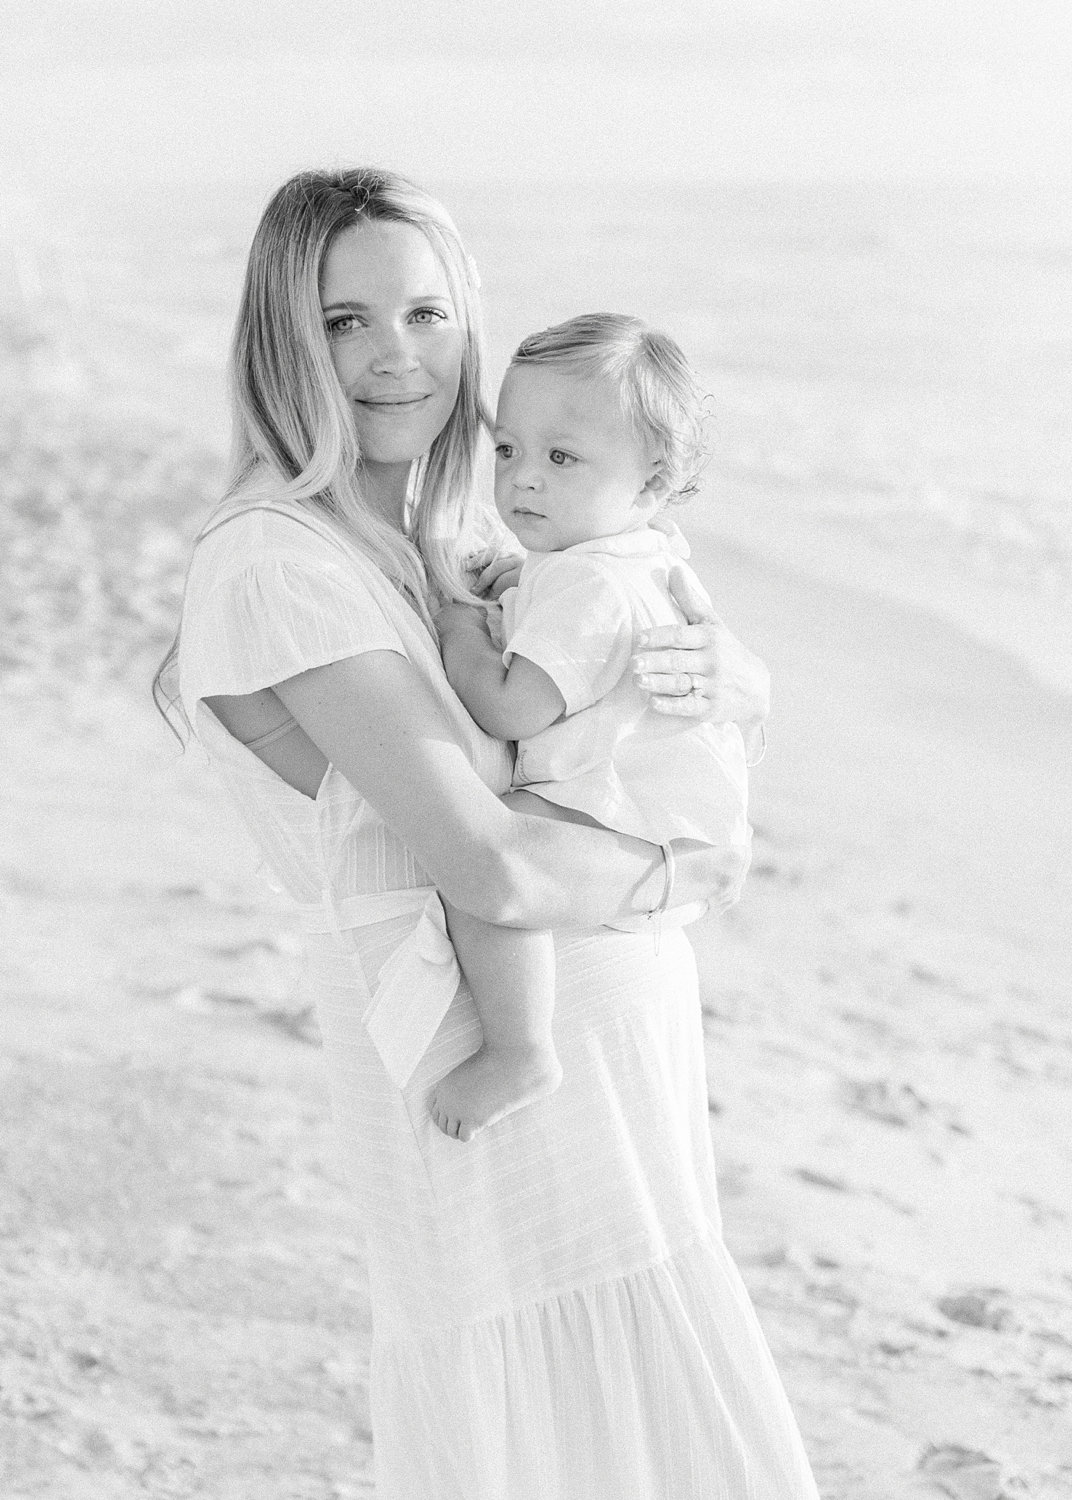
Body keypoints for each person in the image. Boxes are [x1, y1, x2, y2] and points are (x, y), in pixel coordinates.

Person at [157, 166, 818, 1498]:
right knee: (536, 1415)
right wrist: (697, 863)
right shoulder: (279, 566)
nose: (394, 357)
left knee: (639, 1391)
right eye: (344, 322)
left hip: (599, 1004)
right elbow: (489, 860)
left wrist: (741, 689)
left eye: (425, 313)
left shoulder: (467, 533)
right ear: (280, 343)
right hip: (477, 1041)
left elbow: (628, 698)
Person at [430, 312, 754, 1145]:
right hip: (651, 812)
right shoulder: (615, 558)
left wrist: (459, 624)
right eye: (507, 450)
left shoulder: (594, 588)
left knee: (490, 865)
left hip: (617, 813)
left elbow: (508, 705)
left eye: (561, 458)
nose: (522, 480)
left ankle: (520, 1047)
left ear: (650, 484)